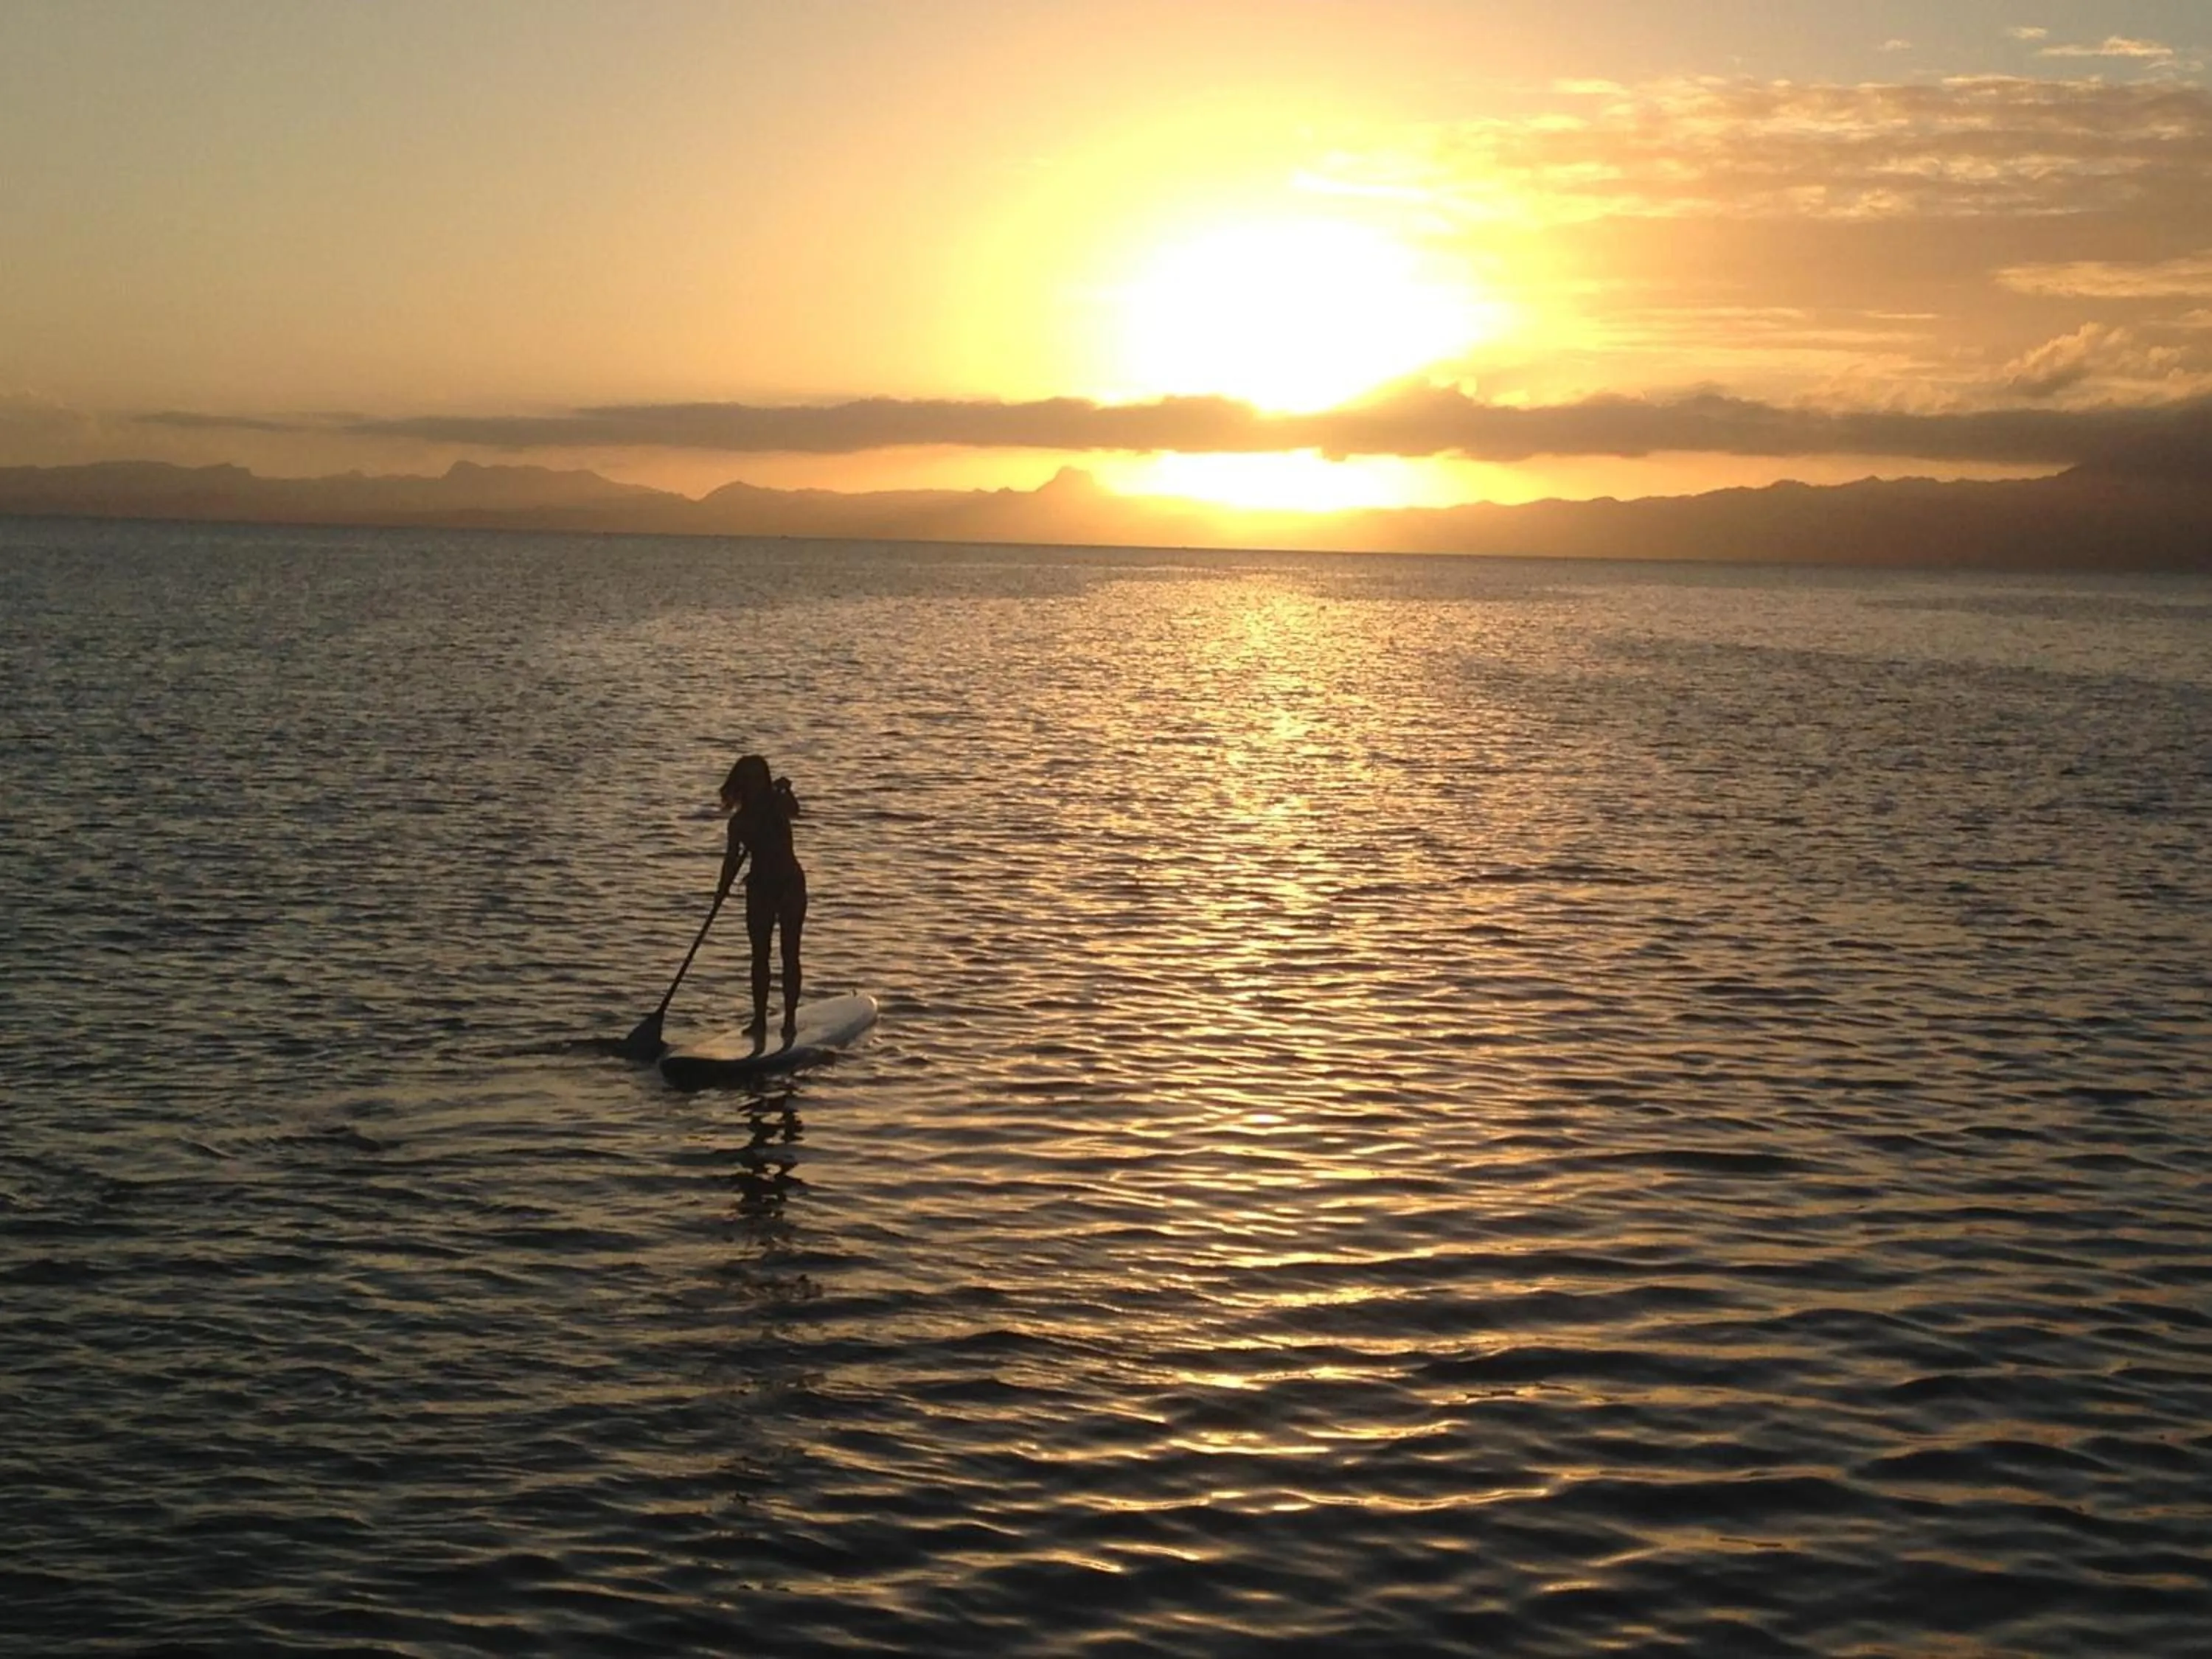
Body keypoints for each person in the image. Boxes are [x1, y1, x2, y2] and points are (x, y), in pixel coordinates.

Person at [717, 754, 807, 1048]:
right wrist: (721, 892)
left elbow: (796, 811)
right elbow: (731, 862)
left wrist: (787, 791)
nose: (756, 785)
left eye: (760, 779)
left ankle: (790, 1020)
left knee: (789, 954)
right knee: (759, 956)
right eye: (750, 780)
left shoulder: (778, 805)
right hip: (760, 888)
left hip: (790, 885)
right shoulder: (740, 823)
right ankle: (759, 1019)